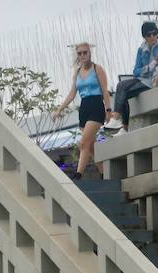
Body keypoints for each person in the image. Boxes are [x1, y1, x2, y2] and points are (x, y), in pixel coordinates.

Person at [52, 42, 111, 179]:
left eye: (85, 52)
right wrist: (59, 109)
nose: (83, 55)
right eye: (80, 53)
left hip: (96, 105)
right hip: (84, 108)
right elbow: (72, 94)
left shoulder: (97, 69)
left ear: (90, 53)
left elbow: (105, 91)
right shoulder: (77, 72)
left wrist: (108, 110)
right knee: (90, 146)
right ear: (77, 55)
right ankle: (104, 174)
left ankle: (78, 174)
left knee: (84, 142)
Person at [106, 21, 158, 132]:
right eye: (149, 35)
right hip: (142, 79)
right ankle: (123, 126)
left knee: (123, 92)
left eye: (154, 33)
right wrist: (148, 68)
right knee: (121, 88)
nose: (152, 36)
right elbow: (136, 71)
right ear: (144, 37)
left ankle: (117, 119)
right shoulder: (141, 49)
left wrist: (149, 69)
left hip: (153, 81)